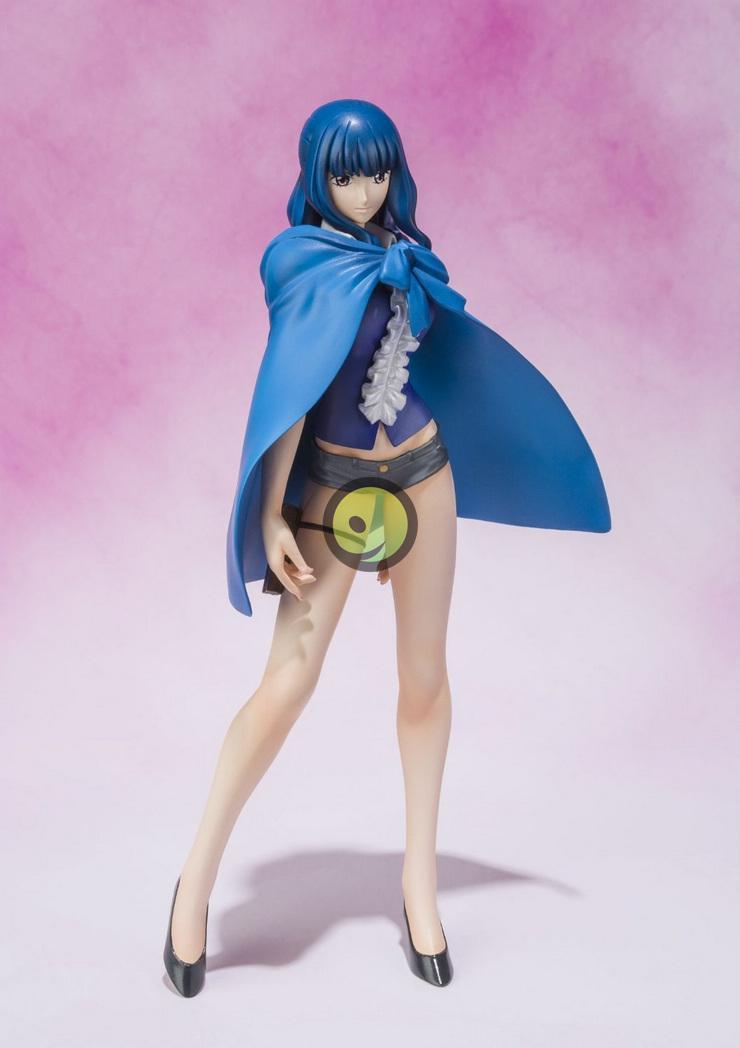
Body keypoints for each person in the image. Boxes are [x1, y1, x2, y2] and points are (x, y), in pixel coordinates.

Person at [163, 99, 611, 996]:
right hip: (333, 489)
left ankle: (418, 883)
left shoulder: (406, 253)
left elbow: (438, 356)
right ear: (315, 175)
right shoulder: (296, 261)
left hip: (423, 472)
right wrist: (272, 513)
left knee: (425, 679)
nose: (363, 190)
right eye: (345, 174)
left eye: (376, 171)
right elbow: (291, 383)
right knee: (287, 683)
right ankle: (196, 881)